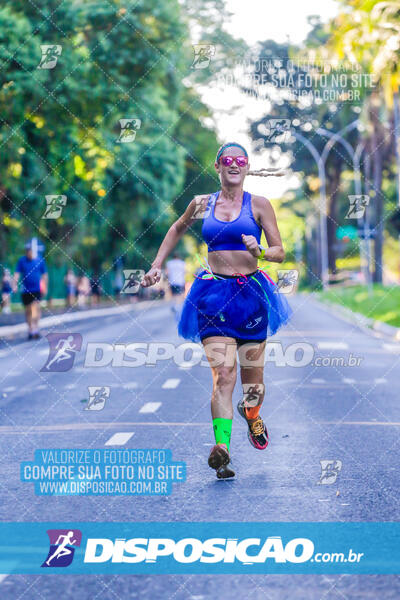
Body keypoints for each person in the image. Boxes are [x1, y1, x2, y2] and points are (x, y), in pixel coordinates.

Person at [142, 142, 292, 479]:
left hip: (252, 295)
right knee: (223, 376)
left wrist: (262, 251)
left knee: (254, 387)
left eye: (241, 160)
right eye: (228, 160)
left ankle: (252, 416)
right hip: (212, 295)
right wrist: (157, 264)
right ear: (218, 166)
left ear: (247, 167)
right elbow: (177, 227)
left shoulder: (260, 205)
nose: (234, 165)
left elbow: (280, 251)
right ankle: (222, 449)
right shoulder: (202, 204)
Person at [13, 242, 48, 340]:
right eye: (27, 251)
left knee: (35, 307)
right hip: (25, 290)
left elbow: (45, 275)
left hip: (37, 289)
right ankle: (30, 329)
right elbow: (17, 273)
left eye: (31, 251)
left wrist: (45, 287)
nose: (29, 253)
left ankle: (35, 328)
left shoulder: (40, 260)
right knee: (28, 310)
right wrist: (14, 285)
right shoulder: (22, 261)